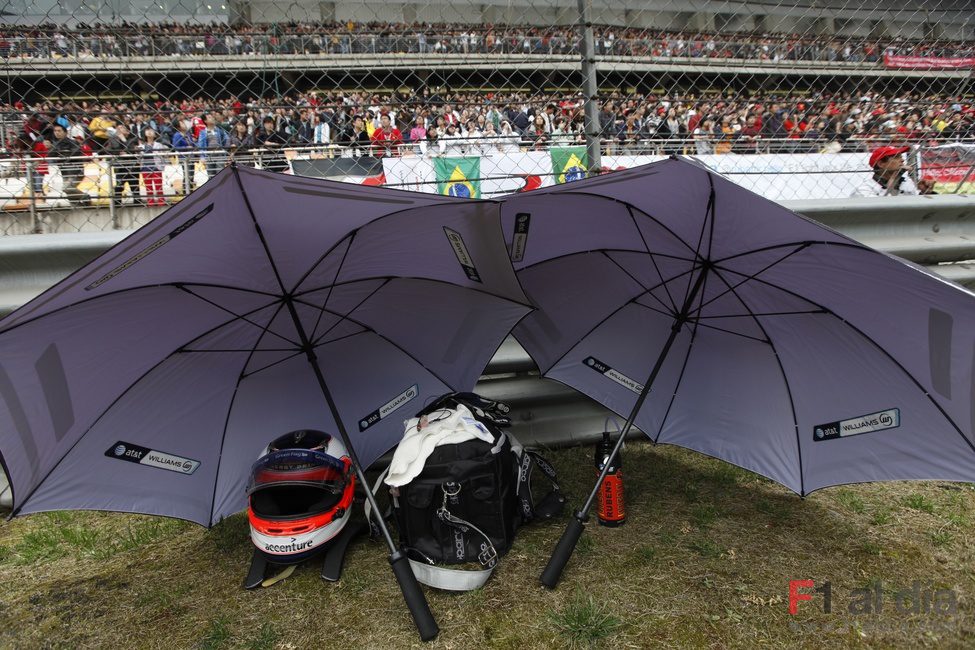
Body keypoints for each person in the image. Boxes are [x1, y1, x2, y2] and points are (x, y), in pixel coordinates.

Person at [851, 145, 934, 197]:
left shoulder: (906, 182)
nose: (902, 160)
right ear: (881, 164)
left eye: (901, 156)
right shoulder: (864, 190)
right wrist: (890, 187)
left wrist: (925, 193)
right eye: (896, 157)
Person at [105, 123, 137, 204]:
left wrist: (124, 140)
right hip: (120, 167)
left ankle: (137, 202)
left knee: (135, 187)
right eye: (118, 128)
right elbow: (113, 150)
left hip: (132, 167)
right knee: (119, 186)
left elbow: (132, 150)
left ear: (128, 131)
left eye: (122, 128)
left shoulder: (132, 139)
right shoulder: (113, 139)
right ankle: (117, 203)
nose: (119, 130)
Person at [195, 112, 230, 177]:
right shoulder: (203, 132)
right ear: (205, 121)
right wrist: (202, 156)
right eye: (209, 117)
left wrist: (225, 150)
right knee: (211, 174)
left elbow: (227, 139)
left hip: (219, 155)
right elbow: (201, 145)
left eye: (212, 117)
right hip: (208, 155)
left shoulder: (219, 130)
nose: (212, 118)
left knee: (220, 173)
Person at [140, 127, 168, 206]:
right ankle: (150, 202)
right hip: (145, 168)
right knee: (148, 187)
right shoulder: (142, 146)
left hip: (156, 167)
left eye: (151, 131)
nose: (149, 132)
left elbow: (165, 153)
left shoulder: (159, 145)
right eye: (147, 130)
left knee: (158, 186)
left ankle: (161, 201)